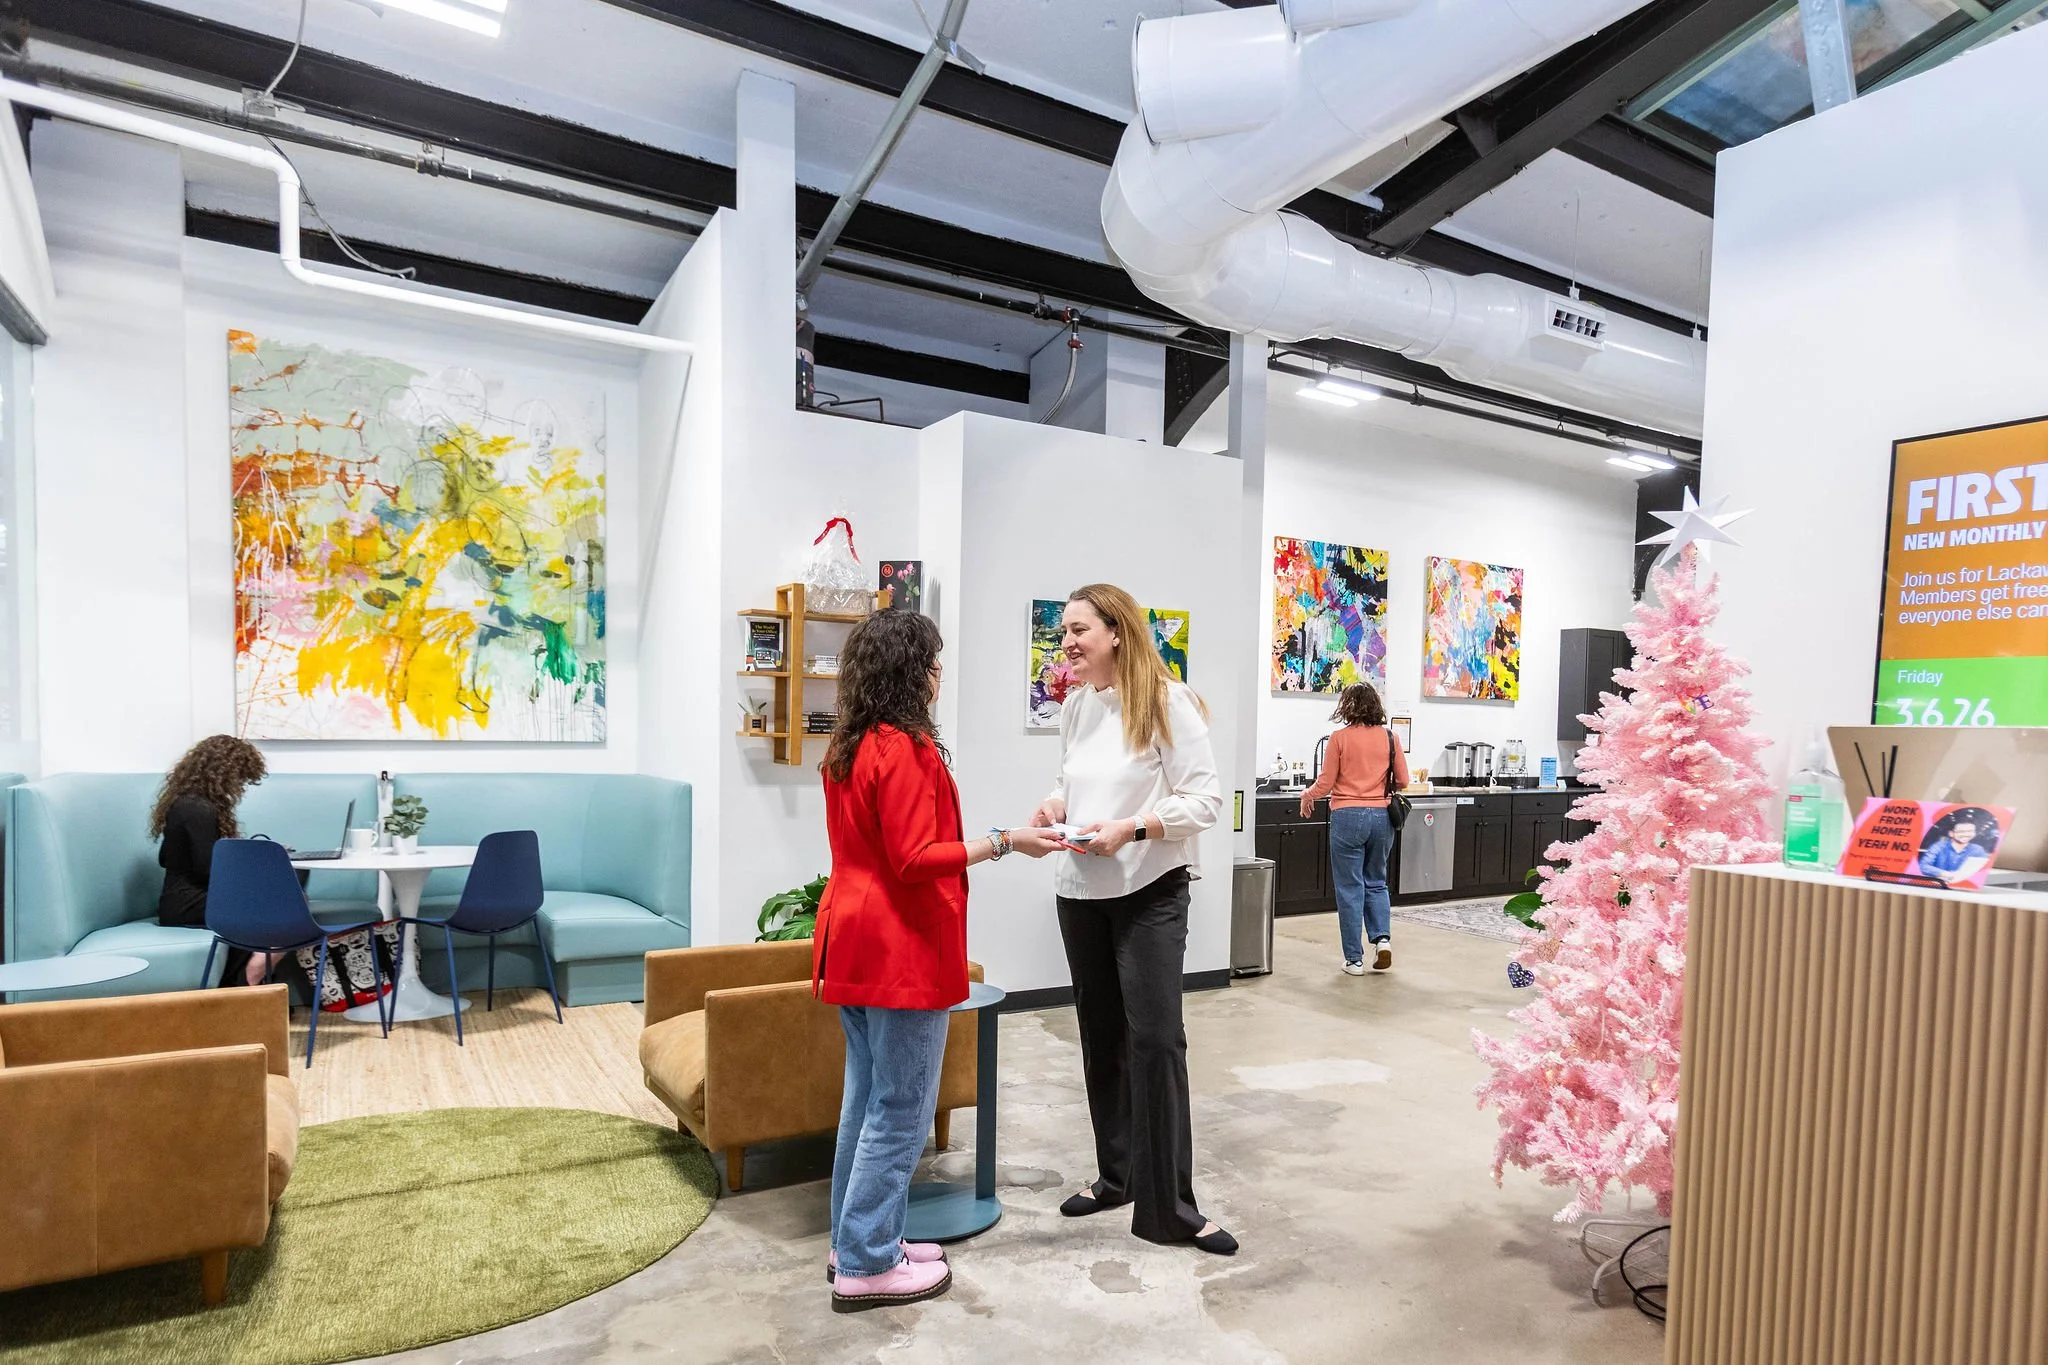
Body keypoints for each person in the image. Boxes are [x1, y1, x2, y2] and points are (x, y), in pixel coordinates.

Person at [814, 610, 1062, 1313]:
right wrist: (1006, 840)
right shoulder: (904, 750)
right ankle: (866, 1261)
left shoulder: (851, 745)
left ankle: (858, 1240)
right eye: (931, 659)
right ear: (907, 669)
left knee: (865, 1102)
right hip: (898, 946)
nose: (939, 671)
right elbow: (914, 858)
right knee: (901, 1107)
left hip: (853, 940)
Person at [1031, 583, 1235, 1256]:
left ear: (1116, 631)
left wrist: (1136, 827)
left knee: (1156, 1042)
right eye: (1064, 632)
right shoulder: (1075, 707)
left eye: (1078, 630)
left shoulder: (1170, 702)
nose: (1067, 643)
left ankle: (1170, 1207)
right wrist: (1055, 803)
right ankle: (1116, 1175)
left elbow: (1204, 801)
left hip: (1149, 888)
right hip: (1079, 890)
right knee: (1101, 1037)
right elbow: (1076, 777)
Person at [1299, 682, 1412, 975]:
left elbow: (1325, 783)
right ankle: (1383, 940)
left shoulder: (1339, 738)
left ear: (1346, 706)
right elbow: (1403, 780)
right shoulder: (1391, 738)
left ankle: (1354, 959)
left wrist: (1307, 795)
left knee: (1350, 887)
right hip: (1381, 817)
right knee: (1376, 881)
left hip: (1347, 815)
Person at [152, 734, 275, 986]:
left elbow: (166, 857)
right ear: (223, 773)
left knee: (278, 901)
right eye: (240, 778)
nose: (240, 786)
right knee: (281, 904)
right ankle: (249, 978)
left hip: (179, 901)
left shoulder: (188, 804)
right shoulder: (198, 809)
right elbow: (208, 870)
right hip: (189, 903)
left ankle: (248, 981)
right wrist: (249, 862)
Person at [1916, 810, 1996, 886]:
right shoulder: (1939, 846)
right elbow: (1924, 866)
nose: (1966, 834)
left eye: (1970, 831)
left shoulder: (1978, 850)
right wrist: (1947, 874)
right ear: (1951, 833)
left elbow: (1982, 872)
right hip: (1939, 885)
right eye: (1961, 832)